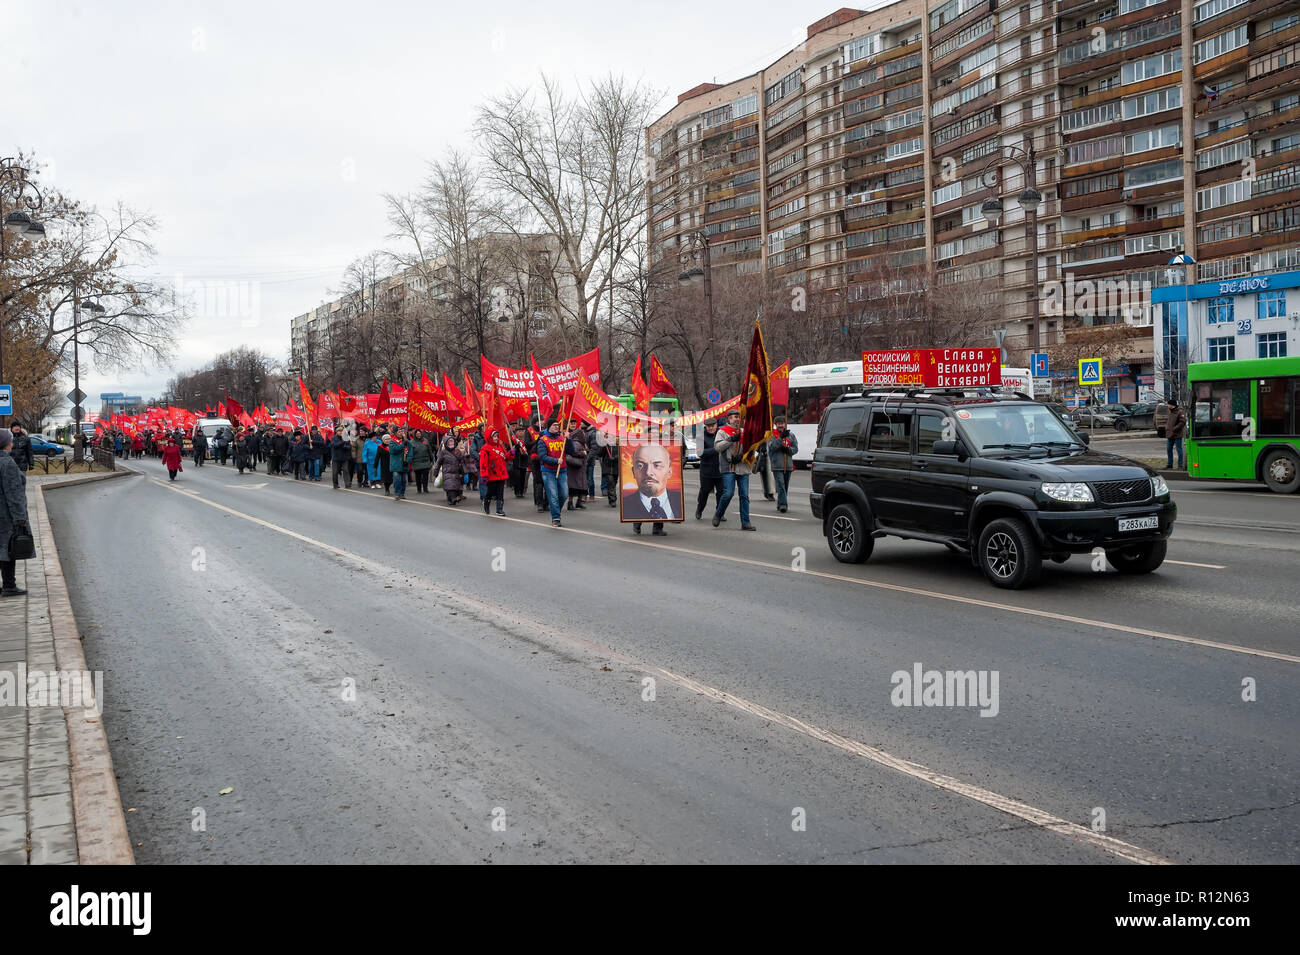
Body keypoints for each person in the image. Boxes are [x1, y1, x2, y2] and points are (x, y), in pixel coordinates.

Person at [624, 442, 680, 537]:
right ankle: (637, 522)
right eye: (641, 465)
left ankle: (658, 528)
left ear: (669, 472)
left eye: (657, 465)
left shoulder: (678, 500)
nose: (649, 472)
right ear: (633, 472)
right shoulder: (627, 503)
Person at [0, 428, 31, 596]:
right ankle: (9, 585)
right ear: (5, 445)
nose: (12, 443)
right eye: (10, 441)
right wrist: (20, 518)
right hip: (6, 516)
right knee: (8, 550)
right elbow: (14, 493)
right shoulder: (7, 463)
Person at [713, 409, 755, 530]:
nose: (737, 419)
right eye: (734, 417)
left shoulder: (743, 432)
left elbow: (750, 448)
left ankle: (745, 523)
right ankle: (718, 514)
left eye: (738, 417)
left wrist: (743, 456)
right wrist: (731, 439)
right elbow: (717, 447)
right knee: (728, 493)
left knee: (744, 496)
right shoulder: (722, 432)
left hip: (742, 466)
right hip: (728, 467)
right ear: (728, 419)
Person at [536, 419, 568, 527]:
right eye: (554, 425)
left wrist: (569, 439)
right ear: (549, 426)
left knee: (564, 494)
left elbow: (571, 450)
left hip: (562, 471)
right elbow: (542, 456)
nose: (557, 427)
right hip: (548, 471)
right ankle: (556, 518)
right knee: (553, 495)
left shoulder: (562, 438)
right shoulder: (542, 440)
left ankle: (555, 508)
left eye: (557, 425)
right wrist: (555, 461)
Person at [767, 416, 799, 513]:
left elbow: (795, 448)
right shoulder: (772, 435)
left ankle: (779, 504)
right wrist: (781, 438)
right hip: (777, 464)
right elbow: (772, 447)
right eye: (778, 423)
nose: (780, 425)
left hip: (788, 465)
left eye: (782, 423)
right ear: (776, 425)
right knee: (780, 485)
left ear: (785, 424)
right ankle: (783, 505)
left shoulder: (791, 435)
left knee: (785, 487)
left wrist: (788, 450)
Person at [479, 429, 512, 515]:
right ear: (489, 437)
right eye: (494, 436)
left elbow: (505, 458)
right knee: (490, 492)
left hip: (501, 473)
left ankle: (499, 509)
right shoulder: (485, 449)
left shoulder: (500, 446)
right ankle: (486, 502)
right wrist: (484, 475)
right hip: (491, 474)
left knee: (500, 492)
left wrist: (511, 453)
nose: (496, 438)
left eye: (497, 436)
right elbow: (483, 464)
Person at [696, 418, 724, 521]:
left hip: (720, 469)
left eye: (713, 425)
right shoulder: (700, 436)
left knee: (721, 492)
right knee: (704, 492)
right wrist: (716, 449)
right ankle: (700, 509)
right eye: (709, 426)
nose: (711, 428)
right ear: (705, 426)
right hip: (706, 470)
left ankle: (719, 512)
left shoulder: (721, 434)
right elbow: (700, 453)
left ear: (716, 425)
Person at [432, 435, 465, 505]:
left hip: (456, 471)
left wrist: (463, 471)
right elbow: (438, 463)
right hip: (447, 472)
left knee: (456, 486)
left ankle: (451, 499)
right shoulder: (443, 452)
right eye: (449, 442)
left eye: (452, 441)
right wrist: (436, 472)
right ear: (446, 443)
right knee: (450, 486)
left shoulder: (457, 451)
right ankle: (453, 498)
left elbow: (461, 461)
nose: (451, 443)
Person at [565, 421, 588, 511]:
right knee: (575, 486)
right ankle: (572, 503)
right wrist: (583, 453)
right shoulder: (576, 443)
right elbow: (574, 452)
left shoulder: (576, 442)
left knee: (577, 486)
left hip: (576, 468)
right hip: (576, 468)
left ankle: (577, 502)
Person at [387, 431, 410, 500]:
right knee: (397, 480)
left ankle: (402, 494)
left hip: (404, 463)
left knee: (403, 480)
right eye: (399, 432)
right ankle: (397, 493)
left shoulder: (406, 441)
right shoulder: (392, 441)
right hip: (396, 464)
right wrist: (403, 444)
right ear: (396, 433)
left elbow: (410, 449)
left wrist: (408, 459)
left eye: (401, 432)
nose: (401, 433)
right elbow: (393, 450)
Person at [409, 429, 433, 494]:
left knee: (425, 476)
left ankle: (425, 488)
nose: (418, 435)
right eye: (417, 434)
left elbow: (429, 450)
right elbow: (410, 452)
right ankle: (419, 489)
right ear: (415, 435)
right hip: (416, 462)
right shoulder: (411, 442)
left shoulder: (425, 440)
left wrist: (432, 459)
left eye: (419, 433)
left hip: (426, 461)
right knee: (418, 477)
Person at [508, 427, 530, 498]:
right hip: (516, 461)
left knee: (523, 477)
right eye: (519, 431)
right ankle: (517, 491)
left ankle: (521, 491)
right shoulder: (512, 440)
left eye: (522, 431)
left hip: (524, 460)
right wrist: (515, 448)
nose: (521, 433)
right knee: (517, 477)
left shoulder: (524, 440)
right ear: (516, 432)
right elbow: (510, 451)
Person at [1166, 399, 1188, 470]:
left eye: (1168, 404)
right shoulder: (1170, 412)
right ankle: (1170, 464)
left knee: (1179, 450)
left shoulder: (1179, 412)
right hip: (1170, 434)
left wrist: (1175, 428)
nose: (1167, 405)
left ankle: (1180, 465)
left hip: (1177, 434)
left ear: (1172, 405)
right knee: (1169, 449)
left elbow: (1183, 422)